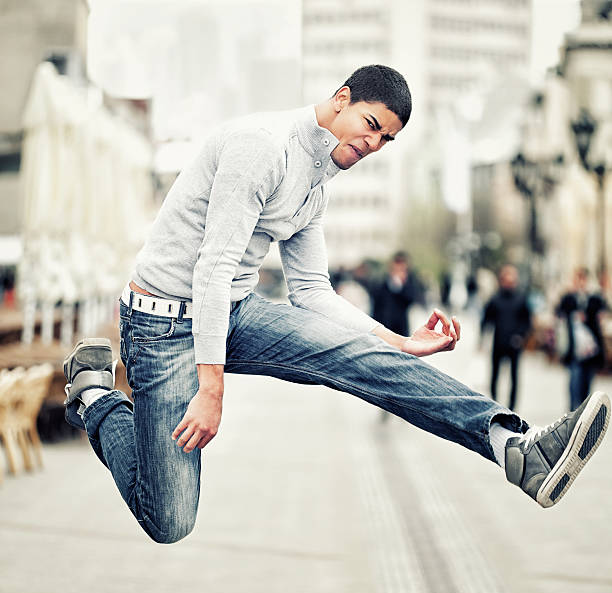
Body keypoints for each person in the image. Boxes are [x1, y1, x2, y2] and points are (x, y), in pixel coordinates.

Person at [63, 65, 610, 544]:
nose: (373, 145)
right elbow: (212, 269)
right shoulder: (262, 146)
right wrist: (212, 388)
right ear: (342, 98)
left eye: (386, 140)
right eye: (372, 126)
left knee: (356, 356)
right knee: (170, 521)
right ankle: (94, 397)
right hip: (161, 327)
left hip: (233, 313)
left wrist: (401, 342)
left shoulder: (315, 184)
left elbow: (312, 292)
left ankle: (516, 446)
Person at [480, 265, 532, 411]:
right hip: (498, 342)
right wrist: (482, 340)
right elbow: (486, 319)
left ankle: (512, 408)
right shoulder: (495, 298)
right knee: (494, 376)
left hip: (515, 344)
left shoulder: (521, 298)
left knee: (514, 378)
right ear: (501, 280)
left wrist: (521, 336)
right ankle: (495, 405)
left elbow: (527, 321)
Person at [556, 268, 608, 411]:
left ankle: (585, 410)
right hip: (574, 349)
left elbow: (602, 313)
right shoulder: (568, 298)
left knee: (587, 381)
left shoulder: (594, 298)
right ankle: (574, 410)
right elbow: (558, 313)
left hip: (591, 350)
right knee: (574, 380)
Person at [372, 251, 422, 337]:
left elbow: (411, 299)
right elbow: (376, 301)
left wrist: (402, 285)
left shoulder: (409, 282)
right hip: (384, 326)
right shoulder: (383, 281)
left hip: (400, 327)